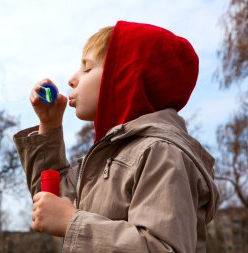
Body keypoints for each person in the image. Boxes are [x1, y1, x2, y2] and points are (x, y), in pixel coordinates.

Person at [13, 20, 219, 253]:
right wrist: (49, 127)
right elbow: (51, 200)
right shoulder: (106, 158)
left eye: (87, 69)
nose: (72, 79)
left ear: (123, 78)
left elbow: (161, 247)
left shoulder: (161, 153)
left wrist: (71, 222)